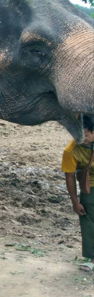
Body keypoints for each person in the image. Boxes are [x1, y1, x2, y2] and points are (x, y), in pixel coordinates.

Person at [62, 115, 94, 269]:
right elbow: (70, 176)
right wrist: (75, 202)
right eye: (78, 135)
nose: (81, 139)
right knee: (88, 217)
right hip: (90, 184)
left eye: (86, 136)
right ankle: (92, 258)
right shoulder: (71, 150)